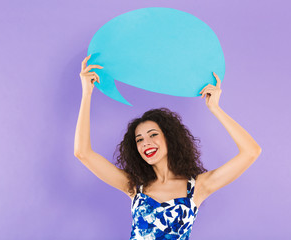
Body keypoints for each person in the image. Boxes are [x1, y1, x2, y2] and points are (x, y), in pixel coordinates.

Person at [74, 54, 262, 239]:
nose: (145, 142)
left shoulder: (198, 188)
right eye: (139, 139)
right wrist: (87, 93)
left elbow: (251, 152)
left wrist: (215, 108)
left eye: (153, 135)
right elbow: (83, 153)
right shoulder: (134, 186)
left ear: (170, 139)